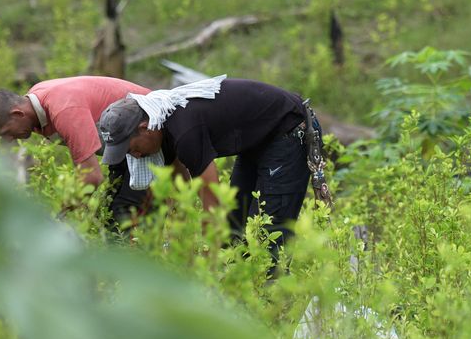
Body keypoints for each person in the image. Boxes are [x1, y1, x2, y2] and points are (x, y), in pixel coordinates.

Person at [97, 76, 321, 256]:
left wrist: (206, 259)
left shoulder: (184, 131)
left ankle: (271, 304)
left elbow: (211, 200)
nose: (134, 156)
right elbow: (180, 193)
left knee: (269, 232)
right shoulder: (162, 121)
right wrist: (179, 247)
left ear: (145, 128)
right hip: (257, 140)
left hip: (287, 129)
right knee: (235, 222)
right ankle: (238, 291)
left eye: (131, 149)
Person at [0, 76, 157, 227]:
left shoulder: (63, 109)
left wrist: (58, 217)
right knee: (111, 212)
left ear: (17, 114)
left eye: (7, 132)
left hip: (151, 132)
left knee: (122, 219)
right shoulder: (36, 102)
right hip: (125, 148)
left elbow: (91, 176)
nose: (9, 139)